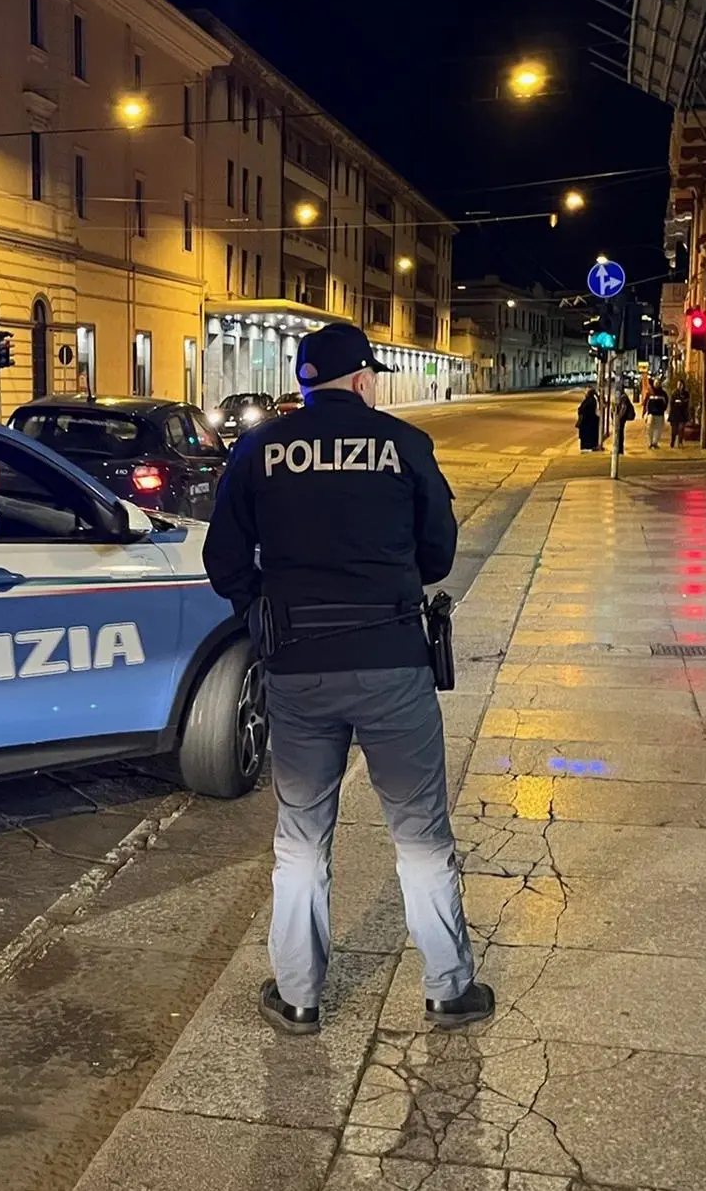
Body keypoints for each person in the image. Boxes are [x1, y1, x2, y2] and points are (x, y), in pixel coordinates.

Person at [203, 322, 494, 1037]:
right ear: (362, 380)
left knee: (301, 835)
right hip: (393, 659)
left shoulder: (260, 448)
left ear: (305, 383)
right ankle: (449, 989)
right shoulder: (402, 444)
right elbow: (437, 553)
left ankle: (299, 997)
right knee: (420, 832)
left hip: (299, 666)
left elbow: (223, 556)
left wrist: (262, 608)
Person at [644, 381, 669, 449]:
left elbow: (666, 403)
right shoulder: (650, 392)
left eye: (658, 383)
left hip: (659, 414)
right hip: (651, 414)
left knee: (658, 429)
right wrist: (645, 412)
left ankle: (655, 443)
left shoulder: (663, 393)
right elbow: (646, 402)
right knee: (649, 428)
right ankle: (650, 442)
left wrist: (663, 410)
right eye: (656, 383)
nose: (656, 384)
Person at [614, 385, 636, 455]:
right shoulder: (623, 396)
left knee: (619, 434)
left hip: (621, 419)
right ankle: (619, 449)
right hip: (621, 418)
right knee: (619, 434)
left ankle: (619, 450)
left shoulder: (623, 397)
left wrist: (618, 417)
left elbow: (623, 408)